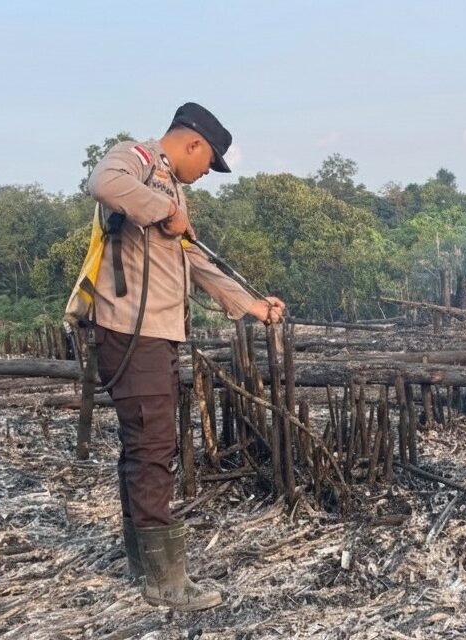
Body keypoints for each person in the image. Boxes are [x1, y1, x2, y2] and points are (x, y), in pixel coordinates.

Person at [86, 103, 286, 611]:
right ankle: (165, 581)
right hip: (132, 332)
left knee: (142, 446)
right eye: (209, 163)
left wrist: (253, 306)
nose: (205, 175)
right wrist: (166, 213)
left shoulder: (170, 185)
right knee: (155, 448)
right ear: (194, 143)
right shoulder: (134, 159)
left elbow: (195, 259)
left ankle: (143, 563)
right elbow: (103, 183)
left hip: (153, 335)